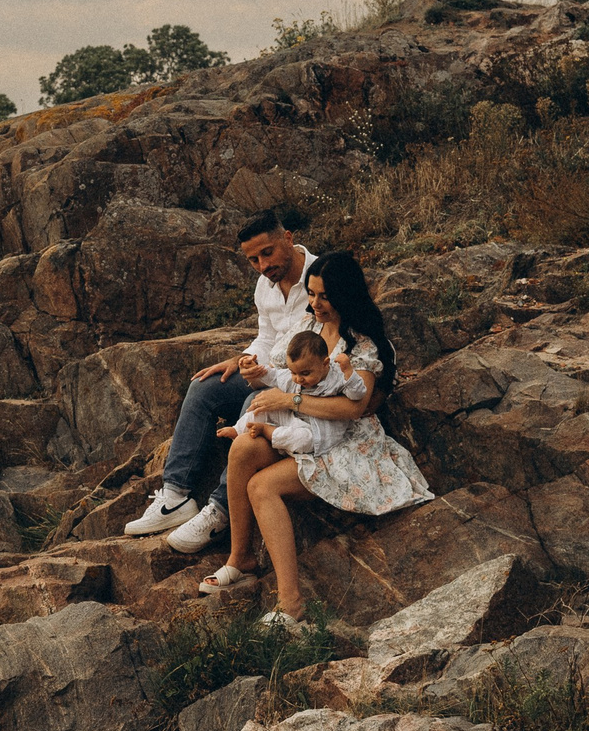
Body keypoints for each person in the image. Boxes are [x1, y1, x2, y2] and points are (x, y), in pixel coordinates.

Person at [195, 250, 432, 623]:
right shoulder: (307, 327)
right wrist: (253, 371)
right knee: (242, 447)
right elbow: (278, 372)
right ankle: (240, 558)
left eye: (324, 295)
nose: (315, 303)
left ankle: (291, 606)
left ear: (345, 294)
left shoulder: (362, 344)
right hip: (295, 426)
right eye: (311, 293)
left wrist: (291, 398)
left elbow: (354, 407)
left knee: (262, 486)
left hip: (341, 440)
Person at [123, 211, 314, 551]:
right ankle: (175, 497)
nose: (261, 265)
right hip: (266, 370)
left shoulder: (319, 277)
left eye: (267, 253)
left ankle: (220, 510)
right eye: (253, 259)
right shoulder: (265, 285)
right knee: (204, 387)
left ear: (287, 239)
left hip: (301, 379)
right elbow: (266, 336)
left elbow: (324, 342)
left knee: (252, 403)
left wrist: (269, 375)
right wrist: (243, 359)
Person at [217, 329, 360, 458]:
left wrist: (349, 373)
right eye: (293, 372)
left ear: (325, 363)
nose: (298, 379)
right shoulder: (294, 377)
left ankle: (268, 431)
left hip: (316, 429)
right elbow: (273, 375)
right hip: (293, 418)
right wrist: (255, 368)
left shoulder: (337, 377)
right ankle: (238, 429)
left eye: (305, 373)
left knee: (304, 440)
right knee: (261, 409)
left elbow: (357, 395)